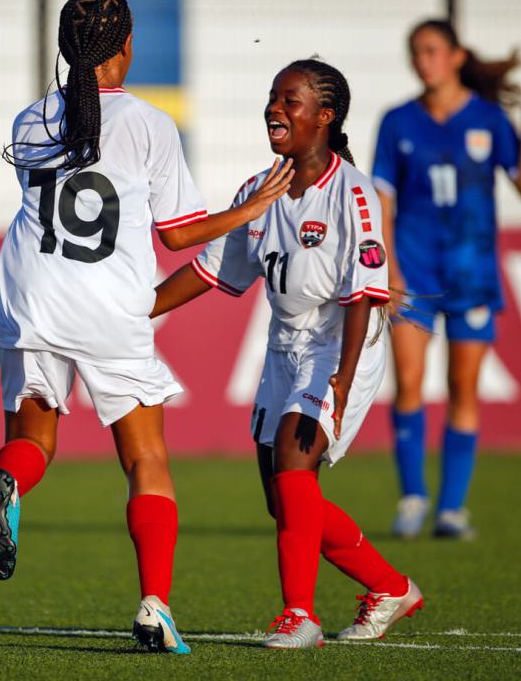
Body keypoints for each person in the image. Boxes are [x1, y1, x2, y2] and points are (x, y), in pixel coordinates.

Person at [0, 0, 294, 654]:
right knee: (145, 456)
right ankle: (154, 606)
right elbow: (179, 238)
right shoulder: (149, 124)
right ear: (127, 49)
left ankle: (9, 483)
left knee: (34, 436)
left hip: (29, 290)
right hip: (106, 303)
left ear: (66, 49)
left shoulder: (29, 120)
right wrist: (247, 210)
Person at [152, 59, 423, 649]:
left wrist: (343, 380)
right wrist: (136, 312)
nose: (275, 109)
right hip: (283, 350)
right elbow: (210, 271)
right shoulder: (259, 190)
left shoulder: (353, 192)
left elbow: (363, 295)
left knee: (295, 465)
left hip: (340, 343)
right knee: (284, 500)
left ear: (325, 117)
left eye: (290, 100)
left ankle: (299, 615)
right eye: (273, 97)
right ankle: (391, 587)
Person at [372, 19, 521, 540]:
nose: (422, 61)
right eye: (416, 52)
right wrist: (389, 267)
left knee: (462, 389)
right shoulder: (398, 121)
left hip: (471, 272)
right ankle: (412, 499)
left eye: (431, 51)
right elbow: (383, 200)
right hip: (415, 270)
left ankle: (451, 509)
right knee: (408, 382)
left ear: (454, 57)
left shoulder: (489, 119)